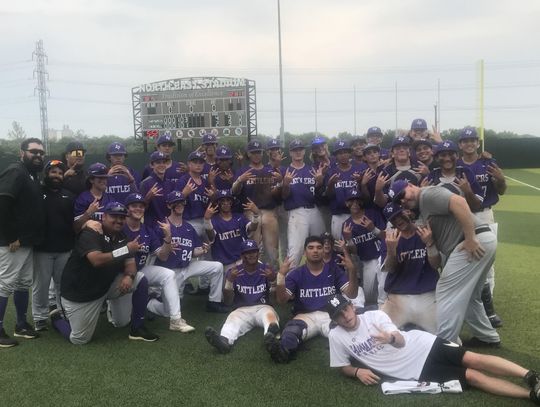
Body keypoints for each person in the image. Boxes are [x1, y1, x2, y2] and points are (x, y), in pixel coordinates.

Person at [327, 294, 540, 405]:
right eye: (338, 315)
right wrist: (356, 371)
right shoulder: (336, 336)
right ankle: (530, 395)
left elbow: (400, 341)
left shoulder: (374, 316)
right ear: (334, 320)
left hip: (424, 344)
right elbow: (343, 366)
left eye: (345, 309)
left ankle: (530, 376)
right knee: (473, 377)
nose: (345, 316)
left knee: (474, 359)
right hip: (414, 372)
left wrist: (390, 337)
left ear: (351, 306)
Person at [389, 180, 500, 346]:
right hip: (481, 241)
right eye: (399, 201)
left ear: (410, 185)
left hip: (472, 242)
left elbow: (460, 202)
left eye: (402, 195)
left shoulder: (427, 194)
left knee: (445, 290)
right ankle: (488, 338)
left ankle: (444, 345)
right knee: (470, 297)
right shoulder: (422, 209)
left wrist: (470, 238)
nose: (403, 201)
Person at [52, 202, 159, 344]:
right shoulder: (92, 232)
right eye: (114, 216)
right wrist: (126, 250)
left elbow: (130, 263)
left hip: (105, 286)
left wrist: (129, 276)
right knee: (79, 339)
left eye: (122, 217)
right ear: (103, 217)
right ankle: (56, 318)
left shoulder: (122, 237)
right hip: (81, 294)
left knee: (139, 279)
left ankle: (137, 328)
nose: (119, 220)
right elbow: (96, 260)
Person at [264, 236, 358, 363]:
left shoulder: (333, 270)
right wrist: (281, 276)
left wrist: (352, 270)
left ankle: (355, 350)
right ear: (304, 252)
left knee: (346, 329)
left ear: (323, 251)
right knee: (292, 330)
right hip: (305, 315)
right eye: (311, 248)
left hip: (330, 314)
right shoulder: (296, 274)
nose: (315, 251)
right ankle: (283, 351)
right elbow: (281, 300)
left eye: (319, 248)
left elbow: (352, 294)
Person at [122, 193, 194, 332]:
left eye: (141, 206)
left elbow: (163, 256)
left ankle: (175, 320)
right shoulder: (119, 226)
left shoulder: (147, 230)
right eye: (134, 206)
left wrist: (168, 237)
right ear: (127, 209)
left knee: (168, 274)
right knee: (120, 322)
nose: (138, 209)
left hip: (140, 271)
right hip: (120, 275)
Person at [458, 126, 506, 328]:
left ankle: (486, 308)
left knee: (487, 263)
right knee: (462, 258)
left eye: (472, 140)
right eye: (465, 140)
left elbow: (501, 191)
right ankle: (466, 305)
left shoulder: (488, 163)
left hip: (484, 214)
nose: (469, 143)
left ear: (478, 143)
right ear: (460, 144)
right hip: (460, 215)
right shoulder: (455, 164)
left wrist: (502, 179)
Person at [0, 138, 45, 347]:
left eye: (41, 152)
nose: (38, 155)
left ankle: (20, 324)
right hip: (12, 242)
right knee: (4, 284)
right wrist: (10, 236)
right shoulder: (15, 171)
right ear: (22, 153)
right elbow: (3, 202)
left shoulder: (32, 175)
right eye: (33, 151)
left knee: (23, 283)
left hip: (26, 242)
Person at [153, 191, 228, 313]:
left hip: (187, 267)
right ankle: (150, 303)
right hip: (170, 272)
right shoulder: (162, 226)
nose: (179, 205)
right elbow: (158, 255)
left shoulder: (188, 227)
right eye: (175, 203)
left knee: (217, 266)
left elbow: (193, 252)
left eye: (181, 202)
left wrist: (203, 249)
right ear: (168, 205)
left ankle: (214, 302)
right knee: (168, 311)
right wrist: (166, 246)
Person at [204, 240, 279, 354]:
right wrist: (229, 281)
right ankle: (224, 342)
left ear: (258, 253)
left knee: (271, 319)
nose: (251, 255)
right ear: (242, 256)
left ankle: (271, 339)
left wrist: (273, 281)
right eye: (247, 252)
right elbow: (228, 302)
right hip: (242, 309)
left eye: (254, 251)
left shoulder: (266, 270)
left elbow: (275, 301)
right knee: (232, 320)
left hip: (263, 307)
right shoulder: (234, 272)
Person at [381, 202, 439, 333]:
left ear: (407, 212)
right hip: (398, 299)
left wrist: (429, 243)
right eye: (393, 219)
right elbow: (390, 268)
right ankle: (409, 326)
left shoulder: (424, 232)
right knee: (379, 334)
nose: (398, 220)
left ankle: (411, 327)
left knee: (446, 338)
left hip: (426, 296)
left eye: (399, 215)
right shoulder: (390, 238)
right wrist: (391, 250)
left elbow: (436, 265)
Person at [32, 160, 75, 332]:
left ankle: (62, 313)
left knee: (61, 285)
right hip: (42, 248)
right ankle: (39, 317)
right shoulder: (37, 192)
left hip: (64, 248)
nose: (56, 176)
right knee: (40, 285)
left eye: (59, 173)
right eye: (53, 172)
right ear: (46, 174)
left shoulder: (69, 195)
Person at [232, 139, 281, 270]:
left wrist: (281, 182)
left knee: (272, 251)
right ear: (248, 154)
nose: (256, 155)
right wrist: (239, 180)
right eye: (253, 152)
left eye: (258, 152)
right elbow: (234, 192)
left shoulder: (270, 170)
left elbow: (279, 194)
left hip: (269, 211)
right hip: (250, 212)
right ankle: (253, 280)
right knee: (252, 249)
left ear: (263, 153)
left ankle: (273, 281)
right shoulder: (243, 170)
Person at [281, 139, 326, 268]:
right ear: (290, 153)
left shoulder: (312, 169)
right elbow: (283, 196)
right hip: (297, 211)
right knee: (296, 250)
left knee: (321, 245)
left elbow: (319, 194)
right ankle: (289, 284)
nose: (298, 152)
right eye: (295, 150)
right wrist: (286, 184)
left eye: (300, 149)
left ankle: (321, 279)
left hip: (315, 210)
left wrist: (319, 182)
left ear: (304, 151)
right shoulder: (286, 170)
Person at [342, 188, 386, 306]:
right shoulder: (347, 225)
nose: (355, 204)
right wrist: (348, 239)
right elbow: (354, 252)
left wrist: (373, 229)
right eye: (352, 201)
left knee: (385, 288)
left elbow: (386, 236)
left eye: (358, 201)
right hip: (367, 261)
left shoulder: (372, 214)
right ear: (347, 203)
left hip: (383, 256)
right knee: (369, 295)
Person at [204, 190, 259, 273]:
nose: (226, 203)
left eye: (228, 200)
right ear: (218, 203)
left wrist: (255, 214)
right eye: (222, 201)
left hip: (242, 260)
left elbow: (252, 228)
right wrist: (207, 220)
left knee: (259, 269)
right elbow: (211, 236)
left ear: (232, 202)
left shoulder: (239, 217)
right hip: (225, 263)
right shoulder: (214, 221)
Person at [428, 140, 483, 212]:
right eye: (443, 155)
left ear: (457, 156)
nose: (447, 159)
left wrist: (468, 191)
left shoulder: (466, 173)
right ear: (437, 158)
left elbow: (477, 206)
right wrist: (423, 192)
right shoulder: (432, 175)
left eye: (451, 154)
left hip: (462, 220)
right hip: (438, 221)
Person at [324, 139, 363, 240]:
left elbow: (364, 193)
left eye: (345, 152)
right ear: (335, 155)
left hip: (356, 213)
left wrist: (360, 182)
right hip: (338, 214)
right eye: (340, 153)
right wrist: (330, 184)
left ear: (350, 153)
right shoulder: (330, 172)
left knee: (357, 244)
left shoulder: (358, 170)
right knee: (339, 246)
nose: (343, 155)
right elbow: (327, 196)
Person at [139, 151, 178, 228]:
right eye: (158, 162)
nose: (162, 165)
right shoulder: (145, 183)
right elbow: (140, 209)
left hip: (169, 226)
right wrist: (148, 198)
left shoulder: (170, 183)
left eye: (164, 162)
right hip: (152, 226)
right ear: (152, 165)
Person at [73, 162, 114, 232]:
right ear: (91, 180)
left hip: (107, 239)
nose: (104, 181)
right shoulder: (83, 199)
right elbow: (76, 227)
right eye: (100, 178)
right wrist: (88, 213)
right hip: (88, 239)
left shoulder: (110, 199)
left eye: (105, 178)